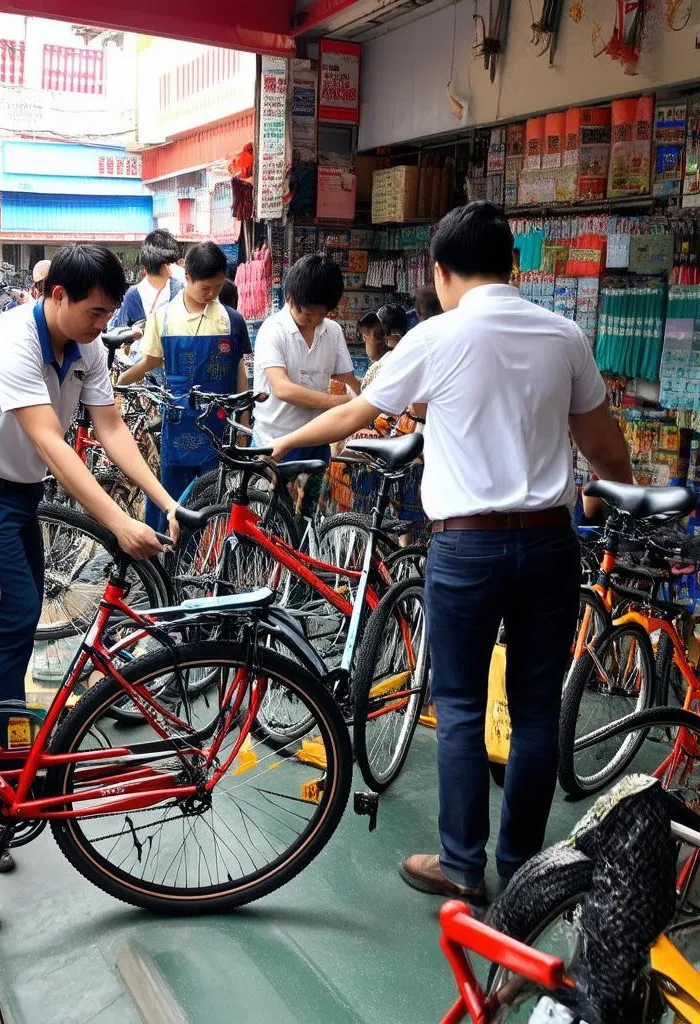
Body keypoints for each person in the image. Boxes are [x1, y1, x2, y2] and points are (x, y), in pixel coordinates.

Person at [269, 201, 633, 903]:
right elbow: (603, 444)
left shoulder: (435, 338)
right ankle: (523, 865)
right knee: (533, 712)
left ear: (439, 272)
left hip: (466, 548)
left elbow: (359, 411)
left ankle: (462, 866)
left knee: (461, 706)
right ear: (514, 266)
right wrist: (620, 492)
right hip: (549, 545)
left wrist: (287, 440)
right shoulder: (563, 336)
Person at [0, 243, 179, 705]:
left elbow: (111, 426)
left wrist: (166, 501)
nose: (102, 323)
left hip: (20, 483)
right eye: (95, 311)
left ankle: (4, 720)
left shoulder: (89, 346)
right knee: (14, 610)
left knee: (24, 603)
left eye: (109, 313)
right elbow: (49, 441)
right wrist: (119, 524)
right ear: (59, 294)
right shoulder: (13, 339)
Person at [117, 242, 250, 531]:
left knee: (215, 503)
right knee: (169, 500)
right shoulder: (162, 317)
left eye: (218, 287)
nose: (212, 295)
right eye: (206, 289)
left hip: (220, 428)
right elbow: (151, 360)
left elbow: (239, 369)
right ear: (187, 278)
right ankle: (159, 563)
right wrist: (120, 381)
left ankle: (203, 566)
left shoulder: (232, 320)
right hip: (179, 425)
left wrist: (243, 421)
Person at [251, 255, 360, 461]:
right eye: (309, 315)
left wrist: (364, 397)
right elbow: (282, 388)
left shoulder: (333, 331)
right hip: (272, 442)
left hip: (316, 441)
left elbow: (348, 380)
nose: (315, 321)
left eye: (322, 315)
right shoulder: (273, 330)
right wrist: (339, 402)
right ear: (290, 298)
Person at [109, 229, 183, 330]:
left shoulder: (178, 288)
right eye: (171, 263)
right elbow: (117, 330)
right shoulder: (133, 295)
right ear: (166, 265)